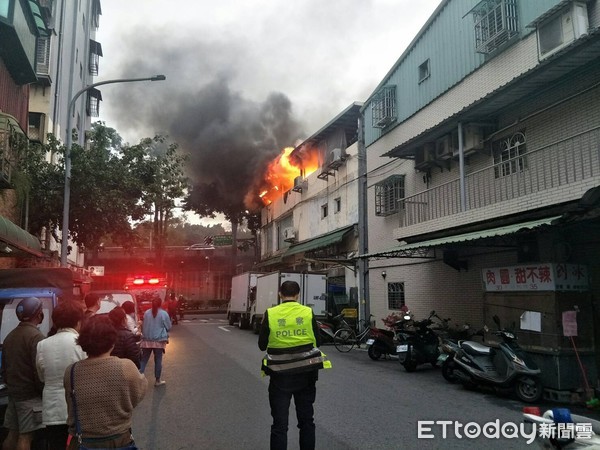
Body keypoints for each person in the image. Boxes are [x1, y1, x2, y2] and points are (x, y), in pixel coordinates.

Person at [258, 281, 331, 450]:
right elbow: (318, 342)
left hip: (279, 377)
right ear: (298, 295)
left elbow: (262, 345)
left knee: (279, 425)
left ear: (280, 294)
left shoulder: (270, 313)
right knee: (306, 422)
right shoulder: (307, 312)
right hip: (306, 375)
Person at [64, 315, 147, 450]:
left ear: (83, 342)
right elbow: (138, 394)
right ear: (112, 342)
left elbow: (71, 403)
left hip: (81, 442)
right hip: (118, 441)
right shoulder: (126, 366)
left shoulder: (71, 371)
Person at [36, 300, 86, 450]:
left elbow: (41, 376)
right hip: (76, 407)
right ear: (78, 321)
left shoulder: (42, 345)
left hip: (51, 408)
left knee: (55, 444)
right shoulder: (81, 343)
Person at [1, 297, 46, 450]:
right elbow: (38, 369)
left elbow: (5, 369)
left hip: (13, 394)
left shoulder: (10, 336)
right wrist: (42, 390)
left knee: (12, 434)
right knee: (26, 436)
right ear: (38, 314)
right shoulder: (36, 337)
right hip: (29, 397)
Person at [139, 297, 171, 386]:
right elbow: (168, 327)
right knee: (158, 360)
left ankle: (138, 379)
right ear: (161, 304)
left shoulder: (146, 313)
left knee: (144, 360)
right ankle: (158, 380)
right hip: (159, 341)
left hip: (146, 340)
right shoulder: (164, 314)